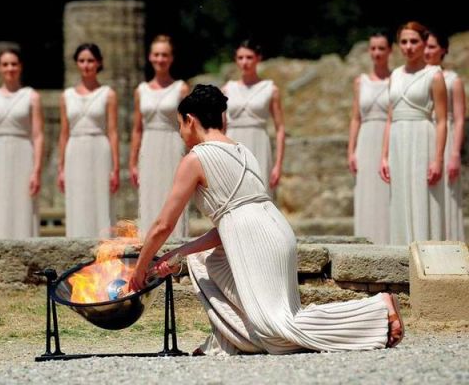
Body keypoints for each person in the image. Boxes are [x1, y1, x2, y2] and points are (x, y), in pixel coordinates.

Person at [130, 84, 404, 356]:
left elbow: (163, 224)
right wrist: (178, 254)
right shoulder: (243, 150)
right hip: (275, 230)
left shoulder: (195, 159)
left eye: (180, 125)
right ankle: (225, 341)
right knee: (203, 262)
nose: (180, 133)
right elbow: (226, 226)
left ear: (190, 120)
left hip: (254, 239)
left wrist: (140, 268)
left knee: (279, 331)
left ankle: (377, 308)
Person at [380, 22, 447, 245]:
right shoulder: (395, 75)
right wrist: (384, 156)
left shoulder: (434, 76)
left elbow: (442, 121)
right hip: (399, 139)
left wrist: (438, 159)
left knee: (423, 197)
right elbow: (390, 118)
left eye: (414, 41)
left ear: (423, 43)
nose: (408, 47)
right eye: (404, 42)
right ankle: (401, 254)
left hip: (422, 138)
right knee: (400, 197)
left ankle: (430, 255)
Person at [0, 48, 44, 239]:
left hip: (23, 152)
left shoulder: (31, 96)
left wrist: (36, 170)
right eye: (5, 64)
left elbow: (38, 135)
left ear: (20, 67)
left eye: (14, 64)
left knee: (22, 204)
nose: (10, 68)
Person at [129, 35, 190, 239]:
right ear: (150, 57)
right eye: (156, 54)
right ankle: (148, 248)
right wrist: (132, 162)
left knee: (172, 196)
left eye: (164, 55)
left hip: (172, 145)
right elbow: (137, 128)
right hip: (149, 146)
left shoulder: (181, 88)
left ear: (171, 58)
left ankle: (174, 252)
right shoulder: (141, 90)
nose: (160, 59)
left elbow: (188, 125)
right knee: (150, 197)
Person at [57, 43, 119, 237]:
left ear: (98, 63)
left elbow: (113, 131)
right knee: (77, 201)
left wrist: (115, 168)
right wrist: (61, 168)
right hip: (74, 149)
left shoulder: (108, 94)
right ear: (77, 63)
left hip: (99, 148)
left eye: (90, 60)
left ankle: (104, 251)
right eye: (82, 61)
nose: (86, 65)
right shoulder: (66, 96)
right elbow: (64, 133)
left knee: (101, 200)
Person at [223, 40, 285, 191]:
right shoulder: (227, 89)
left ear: (258, 58)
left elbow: (280, 129)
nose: (245, 62)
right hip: (233, 144)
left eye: (249, 57)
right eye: (240, 58)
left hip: (259, 145)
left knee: (260, 191)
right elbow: (220, 128)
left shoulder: (270, 89)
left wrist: (278, 165)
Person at [347, 32, 392, 244]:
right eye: (373, 48)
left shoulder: (396, 80)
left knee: (387, 193)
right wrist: (351, 151)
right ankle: (366, 243)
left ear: (390, 51)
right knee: (366, 194)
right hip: (365, 140)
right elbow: (355, 118)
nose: (377, 53)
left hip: (389, 138)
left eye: (381, 48)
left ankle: (389, 241)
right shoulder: (360, 82)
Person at [424, 30, 465, 241]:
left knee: (447, 197)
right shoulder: (418, 77)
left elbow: (459, 119)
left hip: (446, 138)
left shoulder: (452, 80)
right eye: (425, 46)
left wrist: (455, 153)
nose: (426, 51)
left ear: (443, 50)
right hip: (424, 135)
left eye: (432, 46)